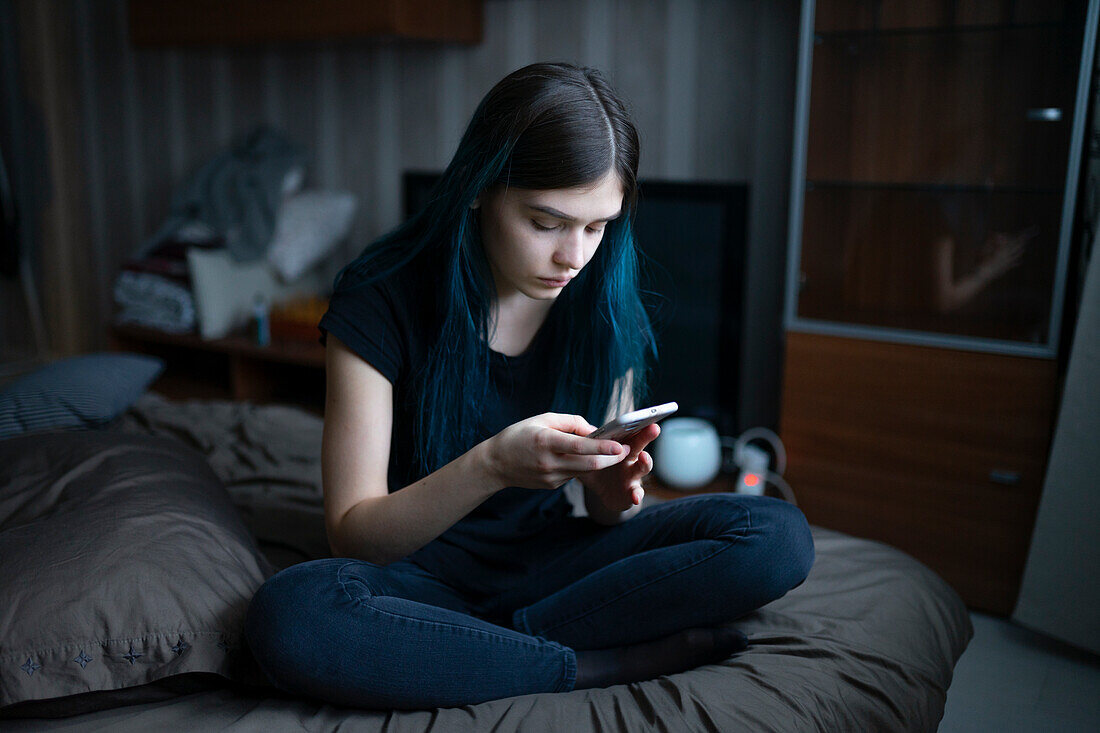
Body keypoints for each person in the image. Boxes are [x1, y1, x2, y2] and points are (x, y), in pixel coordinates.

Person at [244, 62, 814, 710]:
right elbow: (352, 532)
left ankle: (479, 651)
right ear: (482, 187)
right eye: (546, 222)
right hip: (416, 576)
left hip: (554, 568)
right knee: (293, 613)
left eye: (597, 226)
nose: (573, 255)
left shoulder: (600, 297)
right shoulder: (380, 297)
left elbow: (608, 515)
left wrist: (610, 490)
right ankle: (589, 663)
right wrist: (492, 464)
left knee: (775, 535)